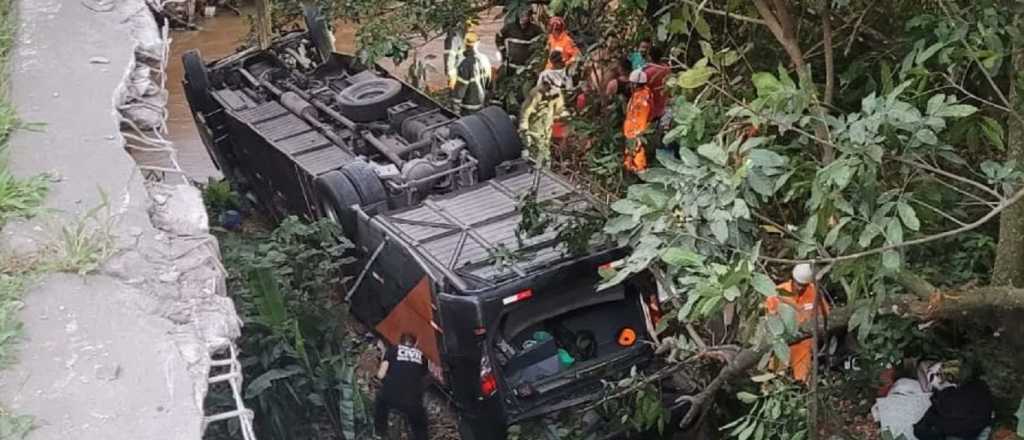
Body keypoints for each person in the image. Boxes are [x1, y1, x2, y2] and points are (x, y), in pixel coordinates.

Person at [765, 263, 830, 383]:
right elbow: (769, 319)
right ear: (793, 279)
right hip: (782, 343)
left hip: (804, 345)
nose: (800, 288)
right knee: (773, 379)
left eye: (804, 286)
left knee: (802, 381)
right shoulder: (777, 293)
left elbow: (825, 315)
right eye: (798, 284)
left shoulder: (814, 293)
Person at [374, 333, 429, 440]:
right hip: (413, 401)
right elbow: (421, 376)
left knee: (380, 402)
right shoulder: (422, 356)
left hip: (391, 397)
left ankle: (380, 431)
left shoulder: (393, 350)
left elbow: (380, 375)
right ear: (415, 344)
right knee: (420, 424)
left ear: (400, 342)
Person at [519, 53, 568, 168]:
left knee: (545, 154)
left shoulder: (556, 95)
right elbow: (525, 112)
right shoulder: (536, 94)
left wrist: (566, 116)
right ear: (546, 85)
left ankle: (545, 170)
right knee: (535, 156)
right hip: (534, 131)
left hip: (546, 130)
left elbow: (560, 110)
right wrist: (525, 131)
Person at [451, 33, 492, 114]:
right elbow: (489, 85)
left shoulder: (465, 64)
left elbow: (460, 90)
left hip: (467, 108)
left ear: (465, 44)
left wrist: (455, 110)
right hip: (481, 105)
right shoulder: (485, 59)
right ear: (478, 43)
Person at [496, 8, 544, 74]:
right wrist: (503, 50)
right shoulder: (510, 28)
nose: (523, 18)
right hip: (511, 64)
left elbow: (543, 42)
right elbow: (499, 37)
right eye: (521, 15)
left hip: (527, 66)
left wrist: (535, 59)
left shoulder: (535, 29)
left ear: (530, 17)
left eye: (525, 16)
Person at [622, 69, 651, 172]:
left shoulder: (642, 98)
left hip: (635, 132)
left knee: (637, 153)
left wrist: (635, 133)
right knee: (631, 152)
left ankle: (639, 170)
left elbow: (640, 117)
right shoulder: (639, 94)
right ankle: (630, 168)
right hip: (631, 131)